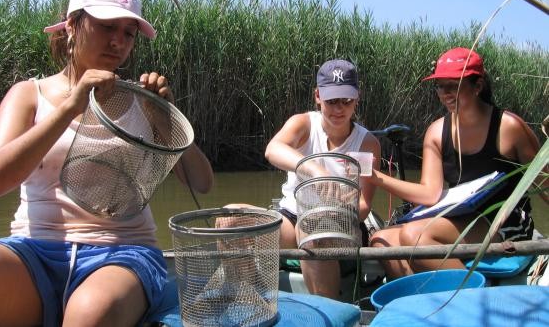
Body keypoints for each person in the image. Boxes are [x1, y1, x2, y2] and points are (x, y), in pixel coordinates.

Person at [0, 0, 213, 326]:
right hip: (33, 248)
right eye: (106, 27)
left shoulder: (142, 101)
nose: (118, 42)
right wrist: (70, 107)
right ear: (71, 25)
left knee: (90, 312)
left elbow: (201, 182)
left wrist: (167, 118)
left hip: (122, 253)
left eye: (128, 33)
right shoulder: (28, 94)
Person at [368, 47, 540, 279]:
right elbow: (430, 194)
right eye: (440, 85)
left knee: (416, 237)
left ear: (477, 86)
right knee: (382, 240)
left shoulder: (508, 127)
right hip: (460, 216)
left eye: (454, 85)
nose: (445, 93)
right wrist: (375, 177)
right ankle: (419, 305)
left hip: (505, 221)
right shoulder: (437, 132)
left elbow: (544, 181)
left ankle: (474, 297)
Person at [226, 59, 380, 299]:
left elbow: (363, 207)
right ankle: (250, 302)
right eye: (331, 101)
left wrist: (337, 209)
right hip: (291, 218)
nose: (339, 109)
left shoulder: (367, 143)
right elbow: (273, 149)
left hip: (340, 226)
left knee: (313, 227)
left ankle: (329, 314)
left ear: (357, 97)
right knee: (230, 218)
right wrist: (317, 171)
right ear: (317, 96)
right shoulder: (304, 124)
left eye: (346, 101)